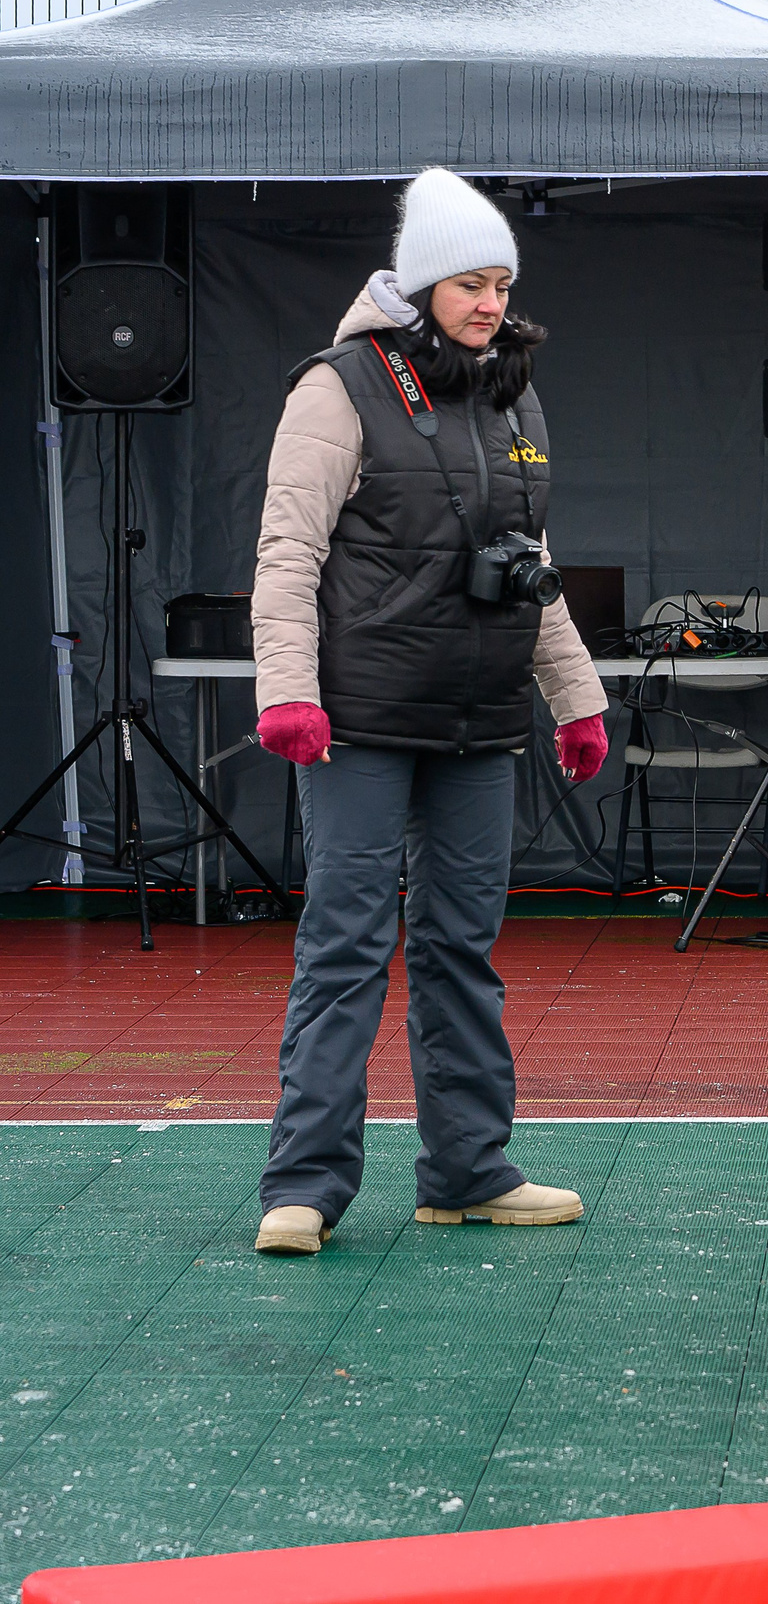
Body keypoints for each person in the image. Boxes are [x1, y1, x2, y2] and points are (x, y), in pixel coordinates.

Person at [247, 167, 609, 1256]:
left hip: (477, 717)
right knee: (346, 947)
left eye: (501, 283)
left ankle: (468, 1172)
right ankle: (303, 1186)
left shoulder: (511, 392)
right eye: (469, 283)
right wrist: (290, 693)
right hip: (360, 718)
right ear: (419, 286)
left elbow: (529, 562)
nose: (491, 302)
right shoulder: (339, 387)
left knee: (463, 950)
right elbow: (287, 551)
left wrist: (575, 699)